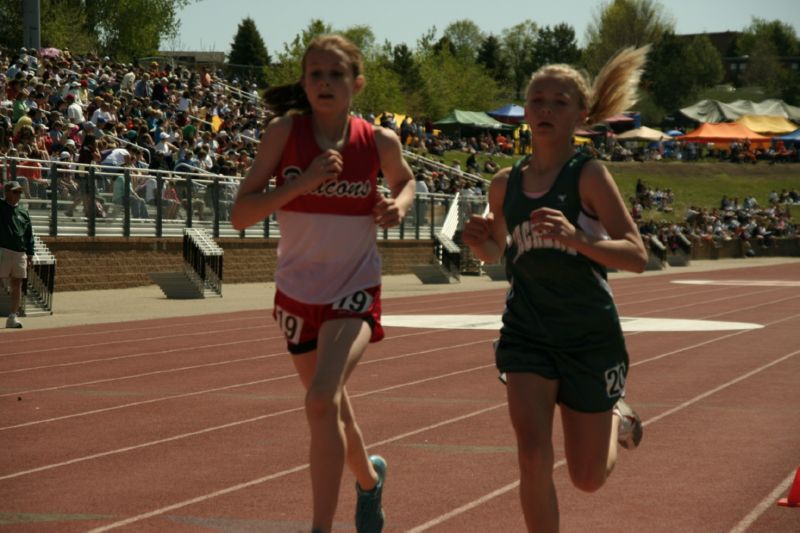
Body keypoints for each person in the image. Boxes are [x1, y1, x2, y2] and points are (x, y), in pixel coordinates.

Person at [230, 34, 414, 533]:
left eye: (336, 74)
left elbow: (406, 181)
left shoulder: (377, 141)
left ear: (357, 83)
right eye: (316, 74)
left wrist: (398, 206)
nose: (325, 83)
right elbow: (240, 216)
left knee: (320, 398)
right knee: (331, 409)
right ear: (305, 82)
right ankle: (370, 482)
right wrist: (301, 183)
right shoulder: (283, 134)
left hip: (354, 287)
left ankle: (319, 527)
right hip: (297, 292)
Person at [462, 46, 650, 532]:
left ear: (581, 115)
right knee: (531, 455)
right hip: (527, 334)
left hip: (589, 337)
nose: (545, 109)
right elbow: (497, 251)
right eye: (537, 100)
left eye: (558, 102)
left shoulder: (588, 176)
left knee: (587, 479)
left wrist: (578, 238)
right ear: (525, 112)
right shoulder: (505, 184)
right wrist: (482, 243)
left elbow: (638, 255)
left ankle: (618, 418)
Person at [0, 181, 35, 328]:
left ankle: (12, 317)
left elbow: (29, 234)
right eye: (15, 192)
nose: (18, 195)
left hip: (20, 252)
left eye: (20, 192)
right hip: (3, 250)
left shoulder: (23, 211)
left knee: (17, 284)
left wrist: (30, 253)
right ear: (6, 192)